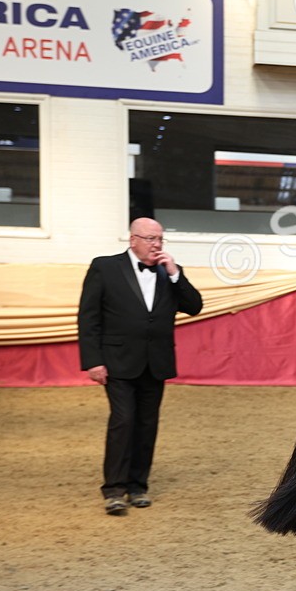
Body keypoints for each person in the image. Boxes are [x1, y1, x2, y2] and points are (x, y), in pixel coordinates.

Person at [78, 218, 203, 515]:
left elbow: (194, 305)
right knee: (123, 420)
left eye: (160, 239)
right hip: (117, 361)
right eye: (150, 238)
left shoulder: (169, 272)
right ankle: (114, 490)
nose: (156, 244)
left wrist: (174, 274)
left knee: (147, 424)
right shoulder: (104, 267)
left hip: (155, 362)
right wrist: (93, 360)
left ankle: (138, 486)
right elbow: (88, 318)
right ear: (132, 239)